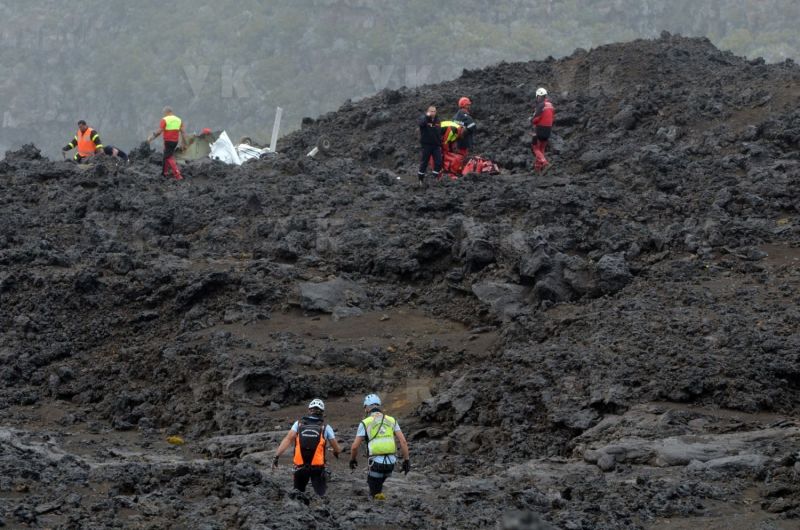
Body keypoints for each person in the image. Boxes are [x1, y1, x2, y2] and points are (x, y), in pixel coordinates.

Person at [272, 399, 341, 496]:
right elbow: (337, 449)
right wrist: (335, 452)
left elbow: (287, 440)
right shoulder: (325, 427)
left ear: (309, 410)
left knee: (298, 496)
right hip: (318, 469)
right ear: (322, 412)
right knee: (321, 496)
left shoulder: (298, 424)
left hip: (300, 468)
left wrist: (276, 456)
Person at [349, 394, 410, 501]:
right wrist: (406, 461)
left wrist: (352, 460)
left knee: (375, 494)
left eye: (365, 408)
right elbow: (403, 442)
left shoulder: (365, 422)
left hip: (376, 464)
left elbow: (354, 447)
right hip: (391, 463)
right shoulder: (391, 420)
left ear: (367, 407)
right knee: (380, 489)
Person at [146, 106, 186, 180]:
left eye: (164, 113)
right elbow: (183, 132)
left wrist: (151, 137)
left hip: (168, 141)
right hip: (175, 141)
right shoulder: (179, 120)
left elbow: (159, 131)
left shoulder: (164, 120)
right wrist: (183, 143)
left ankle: (178, 175)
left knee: (168, 157)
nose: (164, 114)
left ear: (166, 112)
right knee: (166, 155)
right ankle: (164, 173)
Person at [531, 87, 555, 173]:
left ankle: (545, 163)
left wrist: (531, 120)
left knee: (535, 148)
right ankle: (538, 168)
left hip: (540, 129)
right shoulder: (551, 105)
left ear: (539, 96)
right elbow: (552, 118)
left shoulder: (541, 105)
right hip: (548, 129)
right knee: (542, 149)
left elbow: (536, 118)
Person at [417, 106, 443, 185]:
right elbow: (421, 124)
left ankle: (434, 177)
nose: (433, 113)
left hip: (436, 146)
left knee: (438, 162)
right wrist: (426, 116)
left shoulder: (438, 120)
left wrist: (440, 142)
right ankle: (420, 179)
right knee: (424, 163)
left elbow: (439, 132)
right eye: (431, 111)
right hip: (426, 145)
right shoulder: (424, 118)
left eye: (434, 111)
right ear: (428, 111)